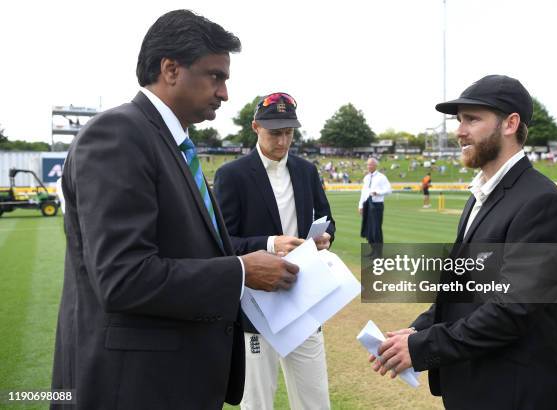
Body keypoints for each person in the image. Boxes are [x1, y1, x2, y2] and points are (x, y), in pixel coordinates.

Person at [51, 11, 299, 410]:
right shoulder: (118, 134)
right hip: (131, 388)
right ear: (170, 69)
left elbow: (186, 250)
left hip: (171, 381)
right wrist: (241, 271)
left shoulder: (172, 142)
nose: (224, 93)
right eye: (215, 76)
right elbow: (123, 277)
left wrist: (255, 259)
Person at [370, 75, 557, 409]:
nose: (459, 131)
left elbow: (512, 311)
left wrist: (424, 347)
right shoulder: (480, 196)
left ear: (510, 124)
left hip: (515, 393)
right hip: (475, 385)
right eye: (459, 120)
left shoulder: (541, 202)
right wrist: (418, 331)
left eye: (472, 119)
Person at [214, 92, 335, 410]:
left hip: (303, 298)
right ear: (255, 127)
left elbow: (327, 218)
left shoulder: (306, 171)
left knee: (315, 400)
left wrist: (325, 238)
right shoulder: (232, 175)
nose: (283, 141)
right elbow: (224, 243)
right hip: (257, 303)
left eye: (289, 133)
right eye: (275, 133)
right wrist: (270, 243)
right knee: (257, 402)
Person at [359, 158, 392, 256]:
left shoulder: (381, 177)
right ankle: (373, 250)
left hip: (376, 205)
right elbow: (363, 192)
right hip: (367, 204)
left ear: (375, 165)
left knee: (376, 229)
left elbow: (389, 190)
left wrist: (377, 192)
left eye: (371, 165)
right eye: (368, 165)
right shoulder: (366, 178)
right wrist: (360, 205)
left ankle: (378, 252)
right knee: (368, 229)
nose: (369, 166)